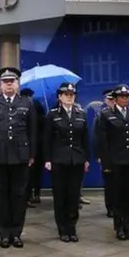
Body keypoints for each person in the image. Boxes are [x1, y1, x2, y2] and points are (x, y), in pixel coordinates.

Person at [0, 67, 37, 249]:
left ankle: (16, 233)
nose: (9, 84)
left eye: (12, 81)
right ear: (1, 84)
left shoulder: (27, 103)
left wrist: (32, 155)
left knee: (19, 196)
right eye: (6, 81)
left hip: (21, 157)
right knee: (2, 197)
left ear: (18, 83)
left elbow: (33, 131)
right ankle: (4, 234)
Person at [44, 82, 89, 242]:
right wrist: (48, 159)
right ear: (60, 97)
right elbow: (47, 139)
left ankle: (72, 227)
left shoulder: (81, 113)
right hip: (59, 160)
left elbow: (85, 139)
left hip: (76, 159)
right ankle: (62, 228)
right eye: (66, 95)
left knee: (73, 195)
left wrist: (86, 159)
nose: (69, 97)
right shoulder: (52, 114)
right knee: (60, 195)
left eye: (72, 94)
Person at [98, 84, 129, 240]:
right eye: (122, 97)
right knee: (117, 197)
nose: (125, 99)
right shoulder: (106, 114)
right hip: (116, 162)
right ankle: (119, 228)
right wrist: (106, 163)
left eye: (127, 96)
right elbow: (103, 142)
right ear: (115, 99)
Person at [93, 88, 115, 217]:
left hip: (119, 154)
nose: (111, 101)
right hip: (106, 154)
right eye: (109, 99)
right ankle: (110, 207)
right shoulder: (101, 115)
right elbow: (96, 137)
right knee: (109, 183)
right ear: (105, 100)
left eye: (113, 99)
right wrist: (99, 155)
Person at [21, 88, 45, 207]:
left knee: (35, 172)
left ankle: (34, 194)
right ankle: (31, 195)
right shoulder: (26, 107)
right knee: (30, 173)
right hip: (31, 145)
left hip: (37, 144)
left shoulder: (35, 105)